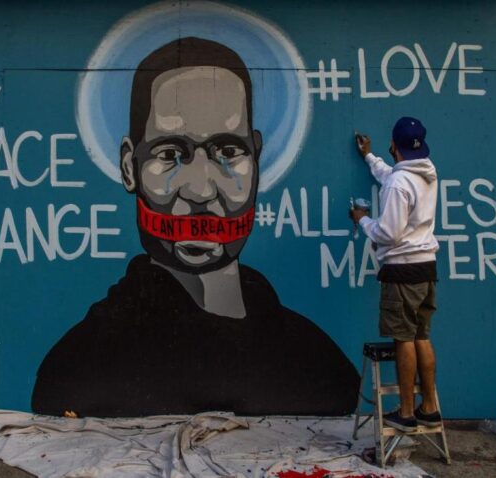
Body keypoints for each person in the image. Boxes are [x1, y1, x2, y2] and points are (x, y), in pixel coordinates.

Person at [32, 37, 360, 417]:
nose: (201, 190)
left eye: (229, 152)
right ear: (129, 167)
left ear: (256, 160)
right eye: (170, 154)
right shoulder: (79, 366)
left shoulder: (319, 364)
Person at [350, 117, 442, 432]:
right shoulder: (426, 173)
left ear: (394, 145)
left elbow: (388, 233)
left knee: (403, 340)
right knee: (421, 337)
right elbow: (391, 174)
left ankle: (405, 412)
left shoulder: (398, 183)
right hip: (426, 267)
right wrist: (369, 157)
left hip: (402, 270)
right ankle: (429, 407)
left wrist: (362, 220)